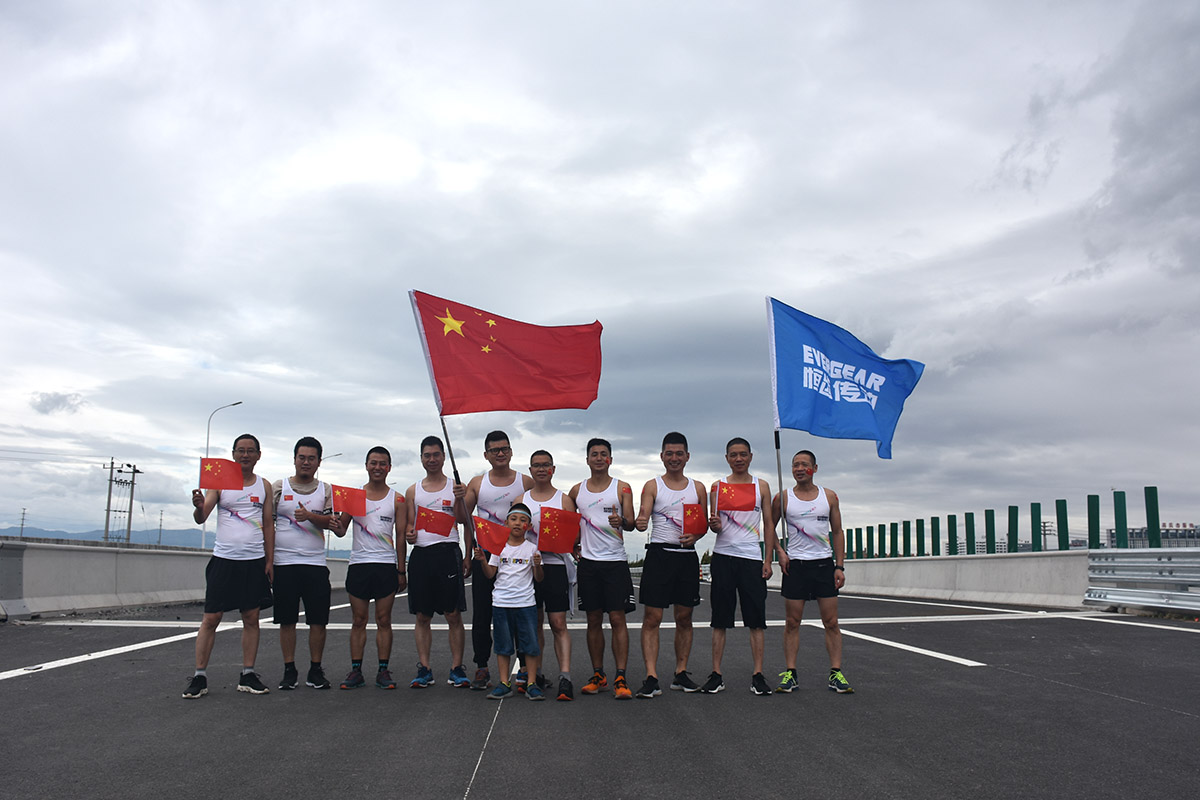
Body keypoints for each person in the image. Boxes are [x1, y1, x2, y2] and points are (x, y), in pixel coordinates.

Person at [184, 433, 275, 698]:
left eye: (250, 451)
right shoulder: (219, 482)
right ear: (233, 454)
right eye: (240, 450)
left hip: (253, 561)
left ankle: (248, 674)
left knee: (251, 618)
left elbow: (268, 524)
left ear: (258, 455)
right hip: (224, 560)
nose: (245, 455)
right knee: (211, 618)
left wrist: (270, 560)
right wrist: (198, 507)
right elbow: (202, 516)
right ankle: (199, 676)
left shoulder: (264, 486)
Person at [771, 449, 853, 694]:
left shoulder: (829, 497)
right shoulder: (782, 498)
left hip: (823, 565)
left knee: (831, 622)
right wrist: (779, 551)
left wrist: (839, 565)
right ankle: (791, 673)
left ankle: (836, 673)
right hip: (795, 566)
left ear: (815, 468)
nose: (799, 469)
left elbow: (837, 531)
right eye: (795, 465)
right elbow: (768, 527)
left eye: (804, 464)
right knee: (792, 622)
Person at [633, 432, 708, 698]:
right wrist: (641, 521)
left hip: (686, 557)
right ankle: (651, 676)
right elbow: (643, 515)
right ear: (662, 456)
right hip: (659, 555)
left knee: (684, 618)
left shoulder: (698, 488)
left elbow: (703, 524)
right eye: (669, 454)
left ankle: (681, 672)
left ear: (687, 457)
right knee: (652, 618)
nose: (674, 458)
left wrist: (696, 536)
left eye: (679, 454)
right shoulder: (652, 485)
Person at [703, 437, 778, 695]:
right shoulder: (718, 487)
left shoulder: (761, 486)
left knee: (756, 620)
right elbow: (714, 525)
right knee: (719, 619)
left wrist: (767, 559)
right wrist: (714, 526)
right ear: (727, 458)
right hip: (723, 556)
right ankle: (716, 674)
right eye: (733, 455)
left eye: (743, 454)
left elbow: (769, 524)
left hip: (751, 558)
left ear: (750, 457)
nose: (738, 459)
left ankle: (758, 674)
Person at [462, 430, 533, 690]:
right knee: (482, 613)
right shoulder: (477, 483)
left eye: (504, 449)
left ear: (511, 452)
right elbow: (464, 519)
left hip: (517, 556)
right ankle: (481, 666)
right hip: (486, 554)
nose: (500, 453)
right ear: (486, 455)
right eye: (495, 450)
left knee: (520, 612)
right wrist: (467, 554)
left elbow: (536, 514)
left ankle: (525, 668)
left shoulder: (525, 482)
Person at [331, 446, 404, 690]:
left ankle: (383, 671)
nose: (377, 467)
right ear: (366, 466)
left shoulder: (397, 499)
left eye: (382, 463)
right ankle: (356, 671)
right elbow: (341, 530)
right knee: (358, 620)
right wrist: (333, 523)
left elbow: (401, 536)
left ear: (389, 468)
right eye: (373, 463)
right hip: (359, 564)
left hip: (385, 565)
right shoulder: (354, 496)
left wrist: (401, 570)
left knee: (384, 620)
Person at [568, 437, 636, 700]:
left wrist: (622, 521)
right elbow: (570, 523)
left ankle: (621, 676)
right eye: (594, 454)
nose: (599, 458)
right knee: (593, 619)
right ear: (587, 460)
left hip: (615, 562)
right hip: (588, 564)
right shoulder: (576, 491)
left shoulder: (623, 487)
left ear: (610, 459)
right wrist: (571, 544)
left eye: (603, 454)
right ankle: (598, 675)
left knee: (618, 619)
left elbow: (630, 522)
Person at [272, 436, 340, 690]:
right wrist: (267, 561)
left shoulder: (326, 490)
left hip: (315, 564)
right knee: (287, 620)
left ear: (319, 462)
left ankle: (315, 669)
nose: (306, 462)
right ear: (294, 459)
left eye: (311, 458)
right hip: (284, 563)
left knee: (318, 621)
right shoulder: (278, 487)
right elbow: (267, 523)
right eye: (302, 457)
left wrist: (310, 516)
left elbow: (333, 523)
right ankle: (289, 669)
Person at [404, 435, 470, 689]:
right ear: (421, 458)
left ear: (443, 457)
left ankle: (457, 668)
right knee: (422, 615)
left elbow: (463, 520)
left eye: (436, 455)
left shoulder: (455, 486)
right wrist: (410, 534)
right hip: (421, 555)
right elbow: (410, 526)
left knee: (453, 614)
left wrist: (460, 498)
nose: (432, 459)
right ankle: (424, 668)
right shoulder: (413, 491)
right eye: (427, 455)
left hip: (447, 552)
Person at [519, 450, 579, 701]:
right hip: (529, 568)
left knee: (558, 623)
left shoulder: (563, 500)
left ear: (553, 469)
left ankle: (565, 677)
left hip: (555, 566)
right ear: (530, 470)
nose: (541, 469)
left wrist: (555, 536)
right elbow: (513, 532)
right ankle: (536, 675)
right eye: (536, 465)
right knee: (533, 624)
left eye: (546, 465)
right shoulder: (522, 499)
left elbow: (574, 536)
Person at [475, 503, 545, 701]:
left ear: (528, 526)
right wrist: (482, 560)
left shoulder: (532, 548)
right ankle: (504, 683)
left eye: (523, 520)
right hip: (501, 602)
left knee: (530, 645)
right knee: (503, 645)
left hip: (526, 603)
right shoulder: (498, 548)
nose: (517, 523)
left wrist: (538, 565)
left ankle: (531, 683)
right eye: (513, 519)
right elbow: (490, 574)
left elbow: (539, 578)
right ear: (505, 523)